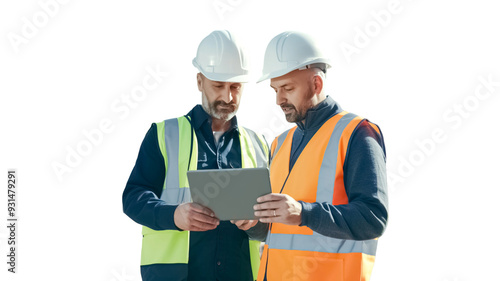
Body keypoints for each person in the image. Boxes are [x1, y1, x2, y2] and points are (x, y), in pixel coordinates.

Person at [122, 30, 269, 281]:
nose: (227, 97)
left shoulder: (259, 144)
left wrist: (256, 223)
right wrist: (173, 215)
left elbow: (273, 221)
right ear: (200, 81)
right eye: (218, 86)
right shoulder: (163, 134)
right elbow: (133, 199)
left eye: (235, 86)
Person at [253, 31, 388, 281]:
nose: (279, 99)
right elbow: (279, 230)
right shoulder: (278, 144)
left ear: (316, 84)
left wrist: (305, 213)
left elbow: (373, 219)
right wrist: (254, 225)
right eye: (275, 89)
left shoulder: (357, 133)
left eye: (287, 88)